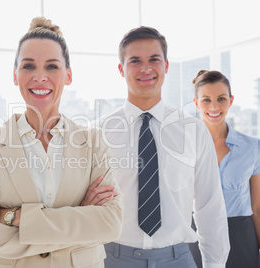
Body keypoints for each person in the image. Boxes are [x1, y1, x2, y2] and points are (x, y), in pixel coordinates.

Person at [0, 17, 123, 268]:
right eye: (28, 67)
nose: (40, 77)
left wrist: (15, 218)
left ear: (68, 75)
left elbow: (111, 223)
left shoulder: (93, 142)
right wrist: (81, 221)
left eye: (51, 67)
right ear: (15, 76)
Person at [98, 26, 230, 268]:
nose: (145, 68)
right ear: (121, 68)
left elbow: (210, 207)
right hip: (112, 258)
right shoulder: (99, 133)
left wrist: (214, 264)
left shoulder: (194, 130)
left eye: (154, 60)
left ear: (166, 65)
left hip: (177, 259)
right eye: (135, 60)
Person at [192, 70, 260, 268]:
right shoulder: (184, 148)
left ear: (230, 101)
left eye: (221, 98)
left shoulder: (252, 147)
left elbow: (256, 207)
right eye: (206, 100)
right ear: (196, 103)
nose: (214, 106)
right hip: (197, 235)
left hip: (241, 236)